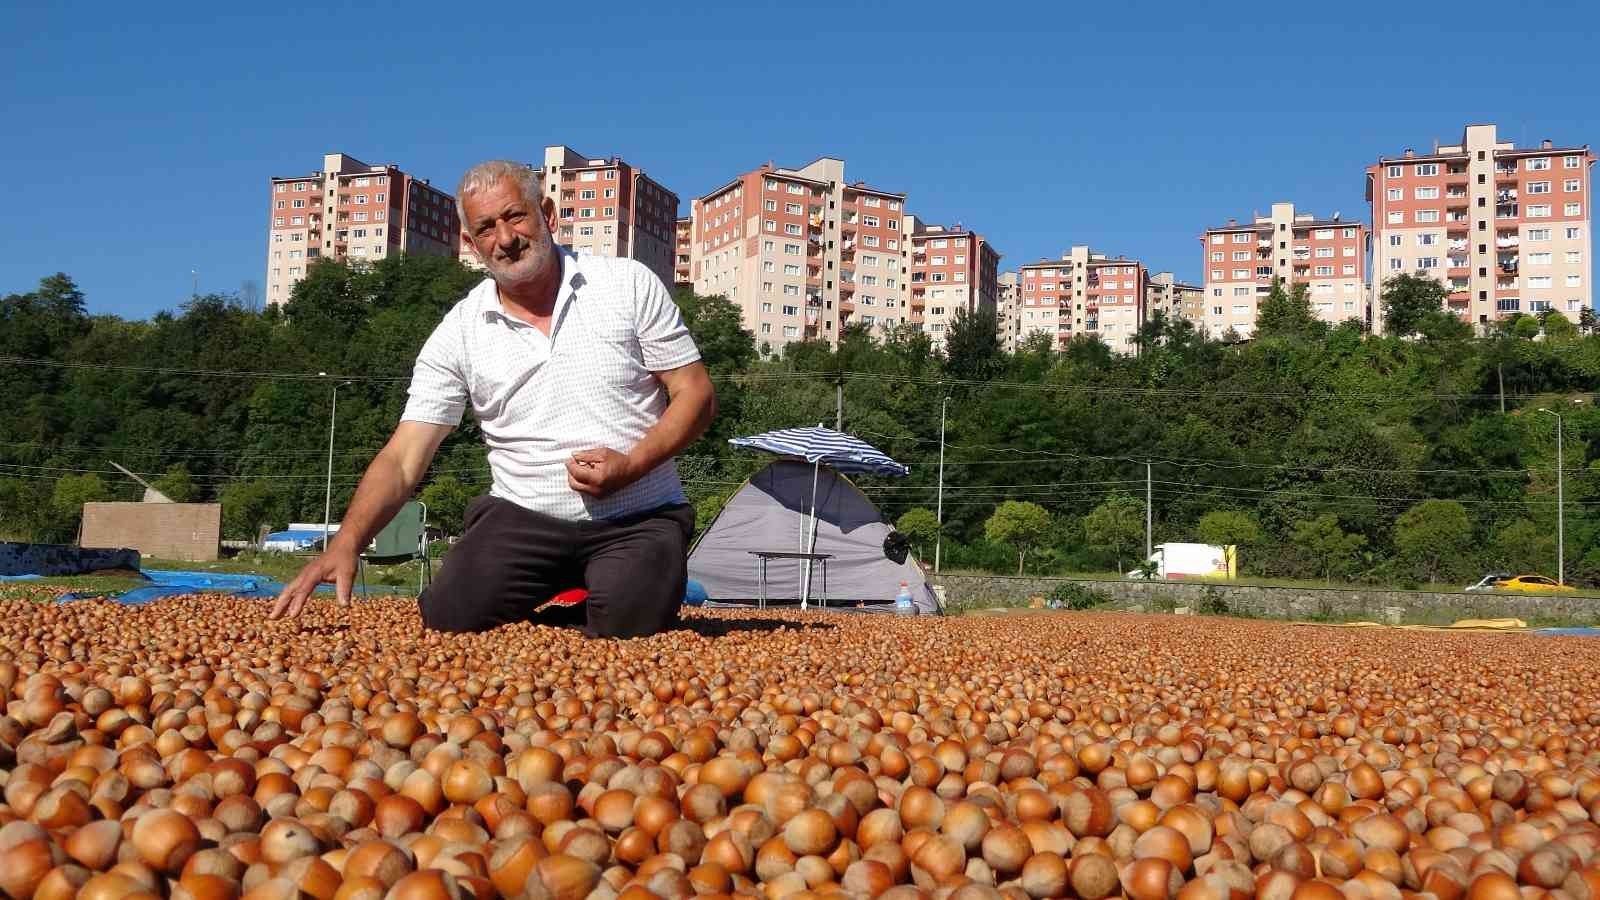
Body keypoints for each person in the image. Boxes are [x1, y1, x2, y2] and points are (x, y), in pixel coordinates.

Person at [270, 160, 716, 638]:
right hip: (525, 519)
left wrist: (631, 464)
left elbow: (695, 394)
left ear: (548, 213)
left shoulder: (625, 284)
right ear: (470, 243)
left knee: (630, 620)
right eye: (486, 227)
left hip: (637, 515)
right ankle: (565, 610)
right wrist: (348, 541)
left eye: (515, 216)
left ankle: (608, 600)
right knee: (450, 617)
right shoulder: (459, 331)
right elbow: (403, 457)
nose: (505, 239)